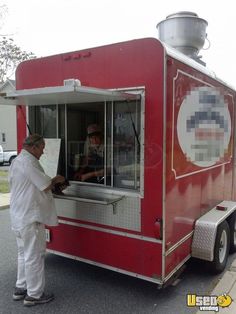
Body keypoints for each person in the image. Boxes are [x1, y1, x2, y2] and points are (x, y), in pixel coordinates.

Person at [8, 134, 66, 307]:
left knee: (23, 253)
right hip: (29, 218)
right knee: (34, 255)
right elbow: (45, 185)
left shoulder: (17, 161)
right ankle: (34, 295)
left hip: (19, 216)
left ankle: (21, 287)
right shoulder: (29, 162)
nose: (43, 151)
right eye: (41, 147)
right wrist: (58, 178)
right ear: (33, 147)